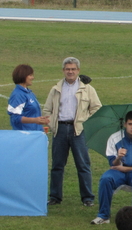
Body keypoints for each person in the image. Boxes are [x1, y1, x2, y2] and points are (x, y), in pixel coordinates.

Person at [42, 57, 102, 206]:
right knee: (57, 165)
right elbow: (47, 109)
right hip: (60, 129)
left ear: (78, 71)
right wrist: (53, 125)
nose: (70, 71)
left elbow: (97, 108)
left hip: (79, 131)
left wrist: (85, 121)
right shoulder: (56, 89)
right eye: (68, 69)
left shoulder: (87, 89)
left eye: (73, 69)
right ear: (63, 71)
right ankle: (55, 197)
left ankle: (87, 198)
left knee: (83, 165)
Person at [91, 111, 132, 225]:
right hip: (119, 171)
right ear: (125, 124)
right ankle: (103, 216)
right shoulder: (114, 138)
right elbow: (113, 163)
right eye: (130, 124)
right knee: (106, 178)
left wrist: (127, 169)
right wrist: (118, 157)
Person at [7, 64, 49, 131]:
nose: (33, 77)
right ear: (23, 76)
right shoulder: (18, 95)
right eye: (30, 75)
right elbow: (15, 118)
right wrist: (35, 120)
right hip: (25, 136)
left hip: (34, 134)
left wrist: (41, 120)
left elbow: (31, 114)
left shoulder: (29, 93)